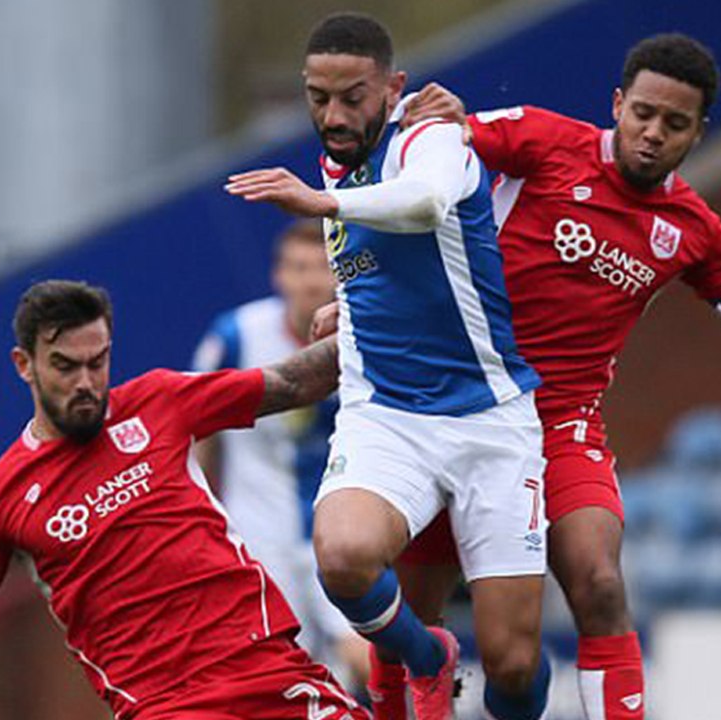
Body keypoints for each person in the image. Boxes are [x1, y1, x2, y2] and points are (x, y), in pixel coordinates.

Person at [325, 32, 721, 720]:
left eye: (674, 124)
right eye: (644, 114)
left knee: (585, 596)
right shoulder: (542, 140)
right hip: (454, 407)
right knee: (406, 626)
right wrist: (362, 290)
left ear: (698, 133)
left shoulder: (693, 229)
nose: (653, 133)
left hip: (561, 426)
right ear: (618, 104)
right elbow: (422, 172)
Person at [226, 12, 551, 720]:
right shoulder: (338, 159)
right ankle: (428, 657)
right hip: (388, 415)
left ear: (394, 87)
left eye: (353, 98)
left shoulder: (429, 137)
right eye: (318, 98)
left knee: (515, 664)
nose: (333, 116)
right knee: (341, 557)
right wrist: (347, 304)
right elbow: (380, 257)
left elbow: (425, 203)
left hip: (490, 419)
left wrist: (322, 201)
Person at [0, 280, 366, 720]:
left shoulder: (159, 401)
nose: (86, 383)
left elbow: (291, 382)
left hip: (269, 668)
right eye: (65, 366)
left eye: (97, 362)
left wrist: (378, 318)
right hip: (166, 704)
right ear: (23, 364)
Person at [191, 220, 370, 688]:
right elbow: (199, 426)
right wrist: (205, 515)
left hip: (339, 528)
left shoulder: (365, 333)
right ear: (279, 275)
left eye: (320, 268)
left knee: (367, 657)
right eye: (298, 268)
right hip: (258, 530)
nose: (309, 281)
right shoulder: (236, 336)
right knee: (280, 668)